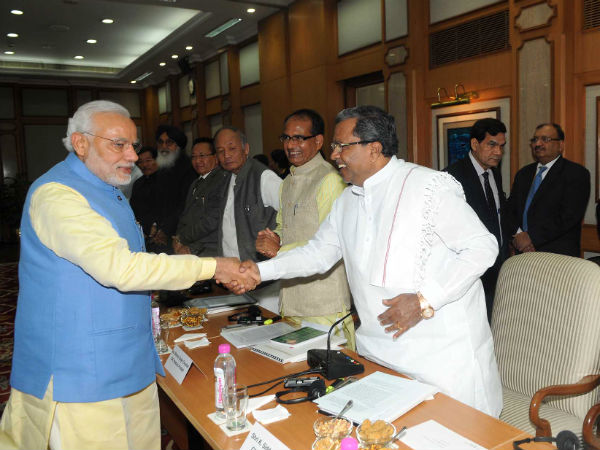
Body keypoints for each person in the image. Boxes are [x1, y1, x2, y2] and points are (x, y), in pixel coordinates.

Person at [0, 100, 256, 450]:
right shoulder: (58, 195)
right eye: (118, 144)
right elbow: (121, 268)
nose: (133, 156)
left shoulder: (105, 188)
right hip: (80, 370)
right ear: (80, 143)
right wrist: (214, 266)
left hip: (127, 357)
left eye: (133, 145)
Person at [241, 106, 502, 417]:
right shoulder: (347, 200)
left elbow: (482, 247)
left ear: (374, 149)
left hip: (442, 361)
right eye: (334, 146)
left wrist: (424, 299)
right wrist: (258, 271)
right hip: (379, 356)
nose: (334, 155)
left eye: (341, 146)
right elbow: (318, 253)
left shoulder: (429, 186)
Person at [255, 109, 354, 348]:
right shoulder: (288, 182)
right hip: (291, 296)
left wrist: (279, 249)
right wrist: (272, 237)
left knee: (331, 364)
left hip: (323, 300)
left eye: (299, 138)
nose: (291, 145)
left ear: (318, 141)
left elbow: (331, 242)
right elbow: (284, 226)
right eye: (287, 138)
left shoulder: (330, 180)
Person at [445, 118, 508, 322]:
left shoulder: (494, 174)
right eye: (492, 145)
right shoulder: (452, 176)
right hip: (470, 268)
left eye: (501, 146)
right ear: (474, 144)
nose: (498, 152)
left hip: (497, 264)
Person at [504, 123, 590, 256]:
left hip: (557, 255)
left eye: (545, 139)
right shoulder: (523, 174)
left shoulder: (576, 173)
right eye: (535, 140)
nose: (538, 144)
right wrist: (519, 235)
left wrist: (531, 237)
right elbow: (511, 209)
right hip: (522, 252)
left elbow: (568, 216)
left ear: (560, 145)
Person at [215, 126, 282, 262]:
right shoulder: (225, 178)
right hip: (232, 267)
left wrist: (277, 239)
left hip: (259, 268)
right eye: (221, 151)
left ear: (246, 149)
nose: (226, 155)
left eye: (232, 148)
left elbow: (292, 213)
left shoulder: (264, 177)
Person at [173, 137, 229, 256]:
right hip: (190, 244)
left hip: (209, 249)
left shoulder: (221, 180)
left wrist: (184, 240)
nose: (197, 161)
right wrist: (177, 239)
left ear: (216, 157)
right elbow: (185, 215)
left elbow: (212, 221)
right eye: (193, 157)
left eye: (202, 156)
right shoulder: (196, 183)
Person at [151, 125, 197, 253]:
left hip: (180, 234)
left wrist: (165, 230)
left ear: (179, 146)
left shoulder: (188, 169)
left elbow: (184, 205)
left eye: (169, 142)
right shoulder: (162, 168)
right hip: (161, 232)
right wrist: (155, 226)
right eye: (161, 142)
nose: (164, 147)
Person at [130, 146, 161, 249]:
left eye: (148, 160)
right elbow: (133, 209)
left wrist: (156, 225)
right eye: (140, 162)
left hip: (161, 232)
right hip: (142, 233)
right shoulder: (138, 184)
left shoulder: (166, 181)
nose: (144, 165)